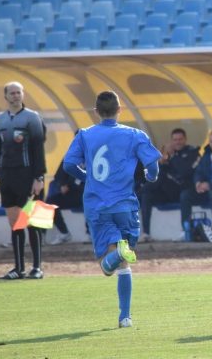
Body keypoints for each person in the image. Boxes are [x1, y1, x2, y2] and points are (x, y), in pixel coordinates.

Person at [63, 91, 161, 328]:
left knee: (108, 265)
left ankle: (117, 257)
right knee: (123, 264)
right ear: (119, 109)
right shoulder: (135, 134)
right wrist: (151, 176)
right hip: (125, 204)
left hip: (97, 205)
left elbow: (68, 164)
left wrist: (86, 177)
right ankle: (125, 317)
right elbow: (153, 165)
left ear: (96, 111)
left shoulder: (85, 134)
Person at [0, 81, 47, 280]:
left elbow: (38, 149)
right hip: (7, 177)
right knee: (14, 222)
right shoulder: (0, 120)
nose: (15, 96)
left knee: (32, 221)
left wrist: (39, 177)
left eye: (18, 92)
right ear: (5, 96)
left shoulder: (32, 118)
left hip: (28, 176)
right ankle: (19, 268)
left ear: (23, 95)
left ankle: (37, 267)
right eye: (12, 93)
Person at [139, 128, 199, 241]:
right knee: (147, 195)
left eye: (180, 139)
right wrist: (161, 163)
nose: (178, 142)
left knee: (156, 182)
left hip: (184, 189)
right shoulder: (168, 154)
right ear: (172, 141)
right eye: (175, 140)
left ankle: (138, 192)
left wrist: (173, 156)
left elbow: (184, 172)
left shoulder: (192, 152)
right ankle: (146, 233)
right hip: (168, 191)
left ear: (185, 139)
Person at [47, 157, 85, 244]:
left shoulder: (94, 157)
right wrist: (62, 184)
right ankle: (64, 233)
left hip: (88, 192)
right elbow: (59, 175)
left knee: (93, 200)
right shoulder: (70, 157)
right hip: (72, 193)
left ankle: (90, 234)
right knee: (51, 203)